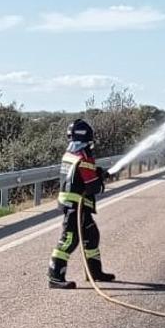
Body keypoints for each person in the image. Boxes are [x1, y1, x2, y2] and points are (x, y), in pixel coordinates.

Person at [47, 119, 117, 289]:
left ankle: (94, 272)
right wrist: (100, 179)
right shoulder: (83, 156)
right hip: (75, 206)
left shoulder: (70, 153)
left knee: (91, 236)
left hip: (76, 204)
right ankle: (55, 277)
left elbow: (80, 177)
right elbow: (93, 186)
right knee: (69, 240)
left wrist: (98, 173)